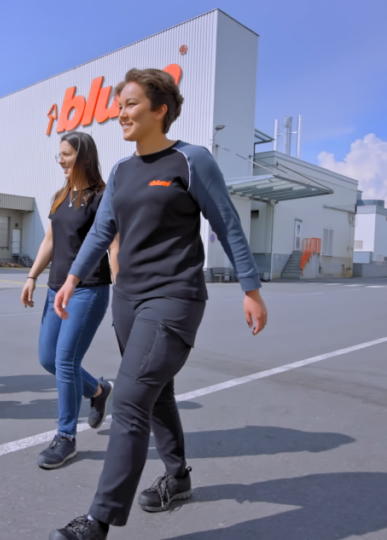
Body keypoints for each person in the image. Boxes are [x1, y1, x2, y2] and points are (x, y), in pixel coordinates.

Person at [48, 68, 269, 540]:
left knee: (128, 401)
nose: (120, 114)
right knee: (156, 391)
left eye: (130, 104)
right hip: (127, 300)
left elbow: (228, 223)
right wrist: (71, 279)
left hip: (174, 298)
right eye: (120, 105)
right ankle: (179, 477)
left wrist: (249, 289)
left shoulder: (191, 161)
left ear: (159, 110)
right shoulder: (123, 172)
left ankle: (98, 521)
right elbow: (102, 231)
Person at [21, 132, 119, 470]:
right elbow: (50, 240)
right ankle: (98, 391)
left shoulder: (103, 197)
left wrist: (122, 290)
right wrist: (33, 276)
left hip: (89, 289)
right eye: (58, 155)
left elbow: (114, 246)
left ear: (83, 156)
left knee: (65, 360)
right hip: (55, 288)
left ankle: (65, 437)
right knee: (48, 359)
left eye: (66, 154)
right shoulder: (60, 195)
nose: (60, 160)